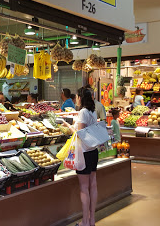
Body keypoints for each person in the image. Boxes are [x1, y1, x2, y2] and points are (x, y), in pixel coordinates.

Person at [63, 88, 99, 226]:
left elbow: (80, 133)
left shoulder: (83, 112)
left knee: (84, 188)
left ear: (80, 97)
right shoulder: (93, 111)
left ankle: (85, 222)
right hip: (93, 151)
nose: (76, 98)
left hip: (84, 152)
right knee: (93, 184)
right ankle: (92, 220)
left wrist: (68, 126)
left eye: (77, 96)